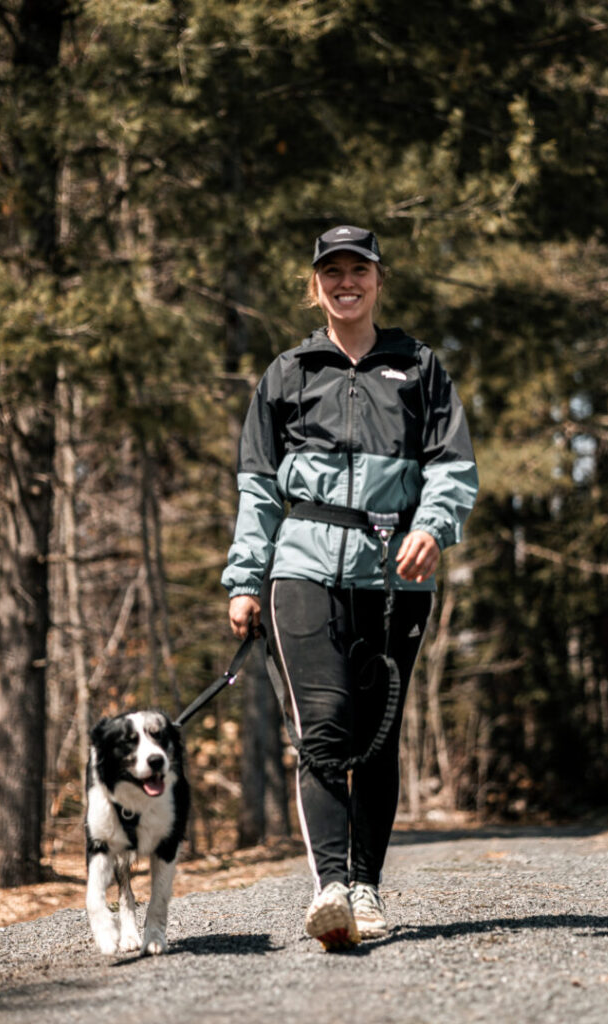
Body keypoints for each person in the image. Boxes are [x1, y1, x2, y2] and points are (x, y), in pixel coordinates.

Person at [222, 225, 478, 950]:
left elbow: (451, 466)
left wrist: (433, 525)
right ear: (315, 285)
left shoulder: (418, 366)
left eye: (357, 270)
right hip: (299, 567)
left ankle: (366, 888)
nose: (345, 282)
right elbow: (257, 490)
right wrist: (244, 579)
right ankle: (330, 888)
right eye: (331, 271)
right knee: (323, 729)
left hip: (396, 573)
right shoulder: (287, 372)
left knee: (379, 736)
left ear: (377, 279)